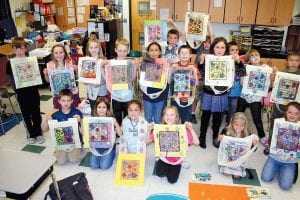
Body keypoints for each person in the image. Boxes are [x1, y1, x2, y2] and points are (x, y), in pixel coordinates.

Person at [6, 37, 44, 144]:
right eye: (16, 49)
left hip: (33, 91)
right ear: (13, 50)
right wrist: (16, 90)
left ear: (25, 49)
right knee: (26, 114)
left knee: (36, 112)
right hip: (21, 93)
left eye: (21, 48)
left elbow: (37, 75)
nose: (19, 51)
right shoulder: (10, 63)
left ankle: (38, 132)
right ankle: (31, 133)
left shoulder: (32, 60)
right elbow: (11, 79)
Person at [149, 106, 199, 183]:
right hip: (164, 158)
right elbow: (146, 141)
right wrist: (149, 130)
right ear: (163, 117)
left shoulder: (182, 130)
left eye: (172, 115)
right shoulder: (160, 129)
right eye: (167, 114)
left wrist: (191, 129)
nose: (169, 117)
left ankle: (180, 165)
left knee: (172, 180)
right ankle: (160, 162)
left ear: (176, 117)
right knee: (160, 174)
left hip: (177, 161)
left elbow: (197, 142)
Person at [264, 52, 300, 155]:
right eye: (291, 60)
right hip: (279, 106)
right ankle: (271, 145)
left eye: (297, 60)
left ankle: (291, 147)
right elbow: (273, 87)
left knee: (293, 127)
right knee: (275, 125)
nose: (294, 63)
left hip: (295, 109)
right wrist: (272, 79)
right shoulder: (281, 73)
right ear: (287, 62)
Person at [236, 49, 273, 147]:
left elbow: (269, 84)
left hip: (256, 98)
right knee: (237, 116)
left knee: (257, 119)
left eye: (257, 55)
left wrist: (273, 72)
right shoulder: (245, 67)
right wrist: (244, 72)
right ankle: (235, 134)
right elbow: (241, 83)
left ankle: (262, 137)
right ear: (249, 59)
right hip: (244, 96)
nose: (255, 57)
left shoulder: (265, 67)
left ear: (260, 57)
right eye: (252, 56)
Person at [198, 37, 230, 149]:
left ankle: (215, 136)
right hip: (208, 92)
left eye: (222, 47)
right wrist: (201, 62)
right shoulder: (208, 58)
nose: (220, 50)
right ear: (213, 48)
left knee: (217, 118)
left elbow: (241, 73)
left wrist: (238, 62)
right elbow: (201, 73)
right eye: (217, 47)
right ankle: (202, 136)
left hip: (221, 93)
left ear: (226, 49)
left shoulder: (229, 60)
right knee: (205, 116)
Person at [261, 102, 300, 190]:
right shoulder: (279, 122)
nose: (292, 115)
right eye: (290, 112)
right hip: (275, 158)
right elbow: (273, 138)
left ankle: (282, 170)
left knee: (285, 187)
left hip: (290, 161)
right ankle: (276, 168)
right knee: (266, 178)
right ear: (285, 112)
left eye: (296, 113)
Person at [43, 89, 83, 165]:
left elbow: (84, 132)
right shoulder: (55, 114)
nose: (66, 103)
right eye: (63, 100)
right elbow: (44, 129)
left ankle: (80, 149)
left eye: (68, 100)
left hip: (75, 141)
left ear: (72, 101)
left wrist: (80, 120)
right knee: (60, 162)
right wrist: (46, 120)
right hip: (61, 142)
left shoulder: (77, 112)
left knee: (73, 160)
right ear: (59, 101)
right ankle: (59, 152)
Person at [218, 112, 258, 178]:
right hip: (228, 158)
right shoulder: (225, 131)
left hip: (240, 159)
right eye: (236, 124)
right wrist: (220, 139)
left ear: (245, 125)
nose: (238, 127)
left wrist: (254, 144)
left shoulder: (247, 134)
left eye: (241, 125)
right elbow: (219, 146)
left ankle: (237, 168)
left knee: (237, 176)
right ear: (232, 123)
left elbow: (253, 150)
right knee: (226, 174)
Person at [109, 38, 137, 125]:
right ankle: (118, 135)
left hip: (127, 95)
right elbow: (107, 78)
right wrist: (103, 65)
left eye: (124, 51)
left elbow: (132, 79)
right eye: (120, 50)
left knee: (128, 116)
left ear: (128, 51)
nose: (122, 53)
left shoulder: (129, 63)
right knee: (117, 116)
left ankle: (127, 133)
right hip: (115, 95)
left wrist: (135, 66)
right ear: (115, 50)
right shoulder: (111, 62)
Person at [44, 44, 80, 109]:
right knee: (60, 114)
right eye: (56, 53)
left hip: (72, 94)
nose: (59, 55)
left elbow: (77, 78)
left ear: (64, 53)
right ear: (53, 54)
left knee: (74, 112)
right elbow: (48, 81)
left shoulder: (69, 63)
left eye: (61, 52)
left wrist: (77, 70)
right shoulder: (50, 65)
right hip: (58, 95)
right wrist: (46, 74)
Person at [90, 97, 122, 169]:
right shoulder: (93, 119)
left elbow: (120, 134)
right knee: (93, 166)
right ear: (96, 108)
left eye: (104, 107)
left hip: (109, 147)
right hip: (96, 147)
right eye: (99, 107)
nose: (101, 110)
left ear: (107, 108)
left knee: (104, 166)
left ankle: (113, 153)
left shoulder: (111, 118)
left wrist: (116, 123)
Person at [169, 45, 198, 123]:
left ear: (190, 55)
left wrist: (194, 72)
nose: (184, 55)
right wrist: (171, 69)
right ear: (178, 55)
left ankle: (184, 133)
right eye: (182, 53)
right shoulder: (174, 65)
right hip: (175, 97)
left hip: (187, 97)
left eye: (186, 53)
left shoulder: (193, 66)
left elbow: (196, 83)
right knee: (174, 118)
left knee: (185, 119)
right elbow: (169, 81)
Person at [141, 42, 169, 124]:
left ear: (160, 52)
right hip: (147, 94)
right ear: (148, 52)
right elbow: (141, 80)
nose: (153, 52)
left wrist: (169, 66)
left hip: (161, 95)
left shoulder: (165, 64)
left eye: (156, 50)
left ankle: (156, 135)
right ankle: (148, 134)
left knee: (158, 118)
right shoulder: (144, 63)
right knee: (148, 117)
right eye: (151, 50)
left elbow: (167, 79)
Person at [225, 41, 246, 124]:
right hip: (225, 90)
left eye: (236, 50)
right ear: (228, 51)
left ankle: (229, 120)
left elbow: (243, 73)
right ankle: (225, 115)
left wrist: (238, 62)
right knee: (224, 106)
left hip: (236, 91)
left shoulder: (240, 63)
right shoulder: (225, 61)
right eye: (232, 50)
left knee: (233, 107)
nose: (234, 52)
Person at [85, 38, 107, 112]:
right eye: (91, 47)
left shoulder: (104, 61)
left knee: (103, 111)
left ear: (99, 48)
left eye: (96, 47)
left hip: (102, 91)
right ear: (88, 49)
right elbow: (84, 81)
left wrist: (100, 83)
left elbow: (107, 79)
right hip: (91, 92)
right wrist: (86, 82)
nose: (93, 49)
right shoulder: (86, 61)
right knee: (93, 110)